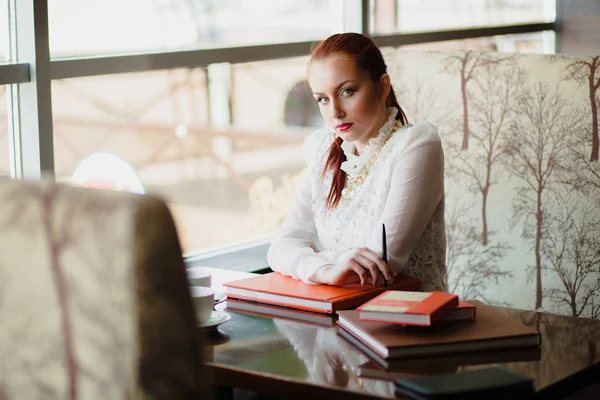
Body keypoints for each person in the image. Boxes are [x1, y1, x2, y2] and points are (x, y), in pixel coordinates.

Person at [267, 32, 446, 292]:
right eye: (323, 99)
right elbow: (281, 246)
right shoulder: (323, 151)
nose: (335, 112)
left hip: (408, 318)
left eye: (347, 91)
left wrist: (314, 262)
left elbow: (381, 266)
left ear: (382, 87)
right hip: (337, 309)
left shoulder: (416, 146)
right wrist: (328, 270)